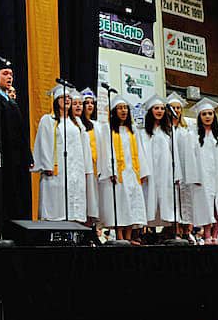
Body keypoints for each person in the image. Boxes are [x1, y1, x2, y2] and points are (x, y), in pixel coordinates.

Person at [0, 62, 33, 240]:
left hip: (15, 160)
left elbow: (21, 132)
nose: (9, 77)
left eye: (11, 74)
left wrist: (27, 155)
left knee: (14, 197)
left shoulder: (11, 102)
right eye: (5, 73)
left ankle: (12, 232)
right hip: (0, 159)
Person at [97, 94, 150, 243]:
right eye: (120, 108)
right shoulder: (107, 129)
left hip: (132, 172)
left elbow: (140, 151)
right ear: (114, 111)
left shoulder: (132, 129)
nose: (123, 111)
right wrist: (111, 170)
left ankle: (129, 236)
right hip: (118, 174)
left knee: (132, 204)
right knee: (119, 205)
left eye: (125, 108)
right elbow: (106, 151)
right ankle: (120, 236)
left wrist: (143, 171)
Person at [33, 85, 90, 223]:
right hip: (56, 170)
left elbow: (84, 147)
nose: (67, 100)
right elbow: (44, 142)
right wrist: (47, 165)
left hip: (75, 169)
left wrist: (86, 169)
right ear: (56, 100)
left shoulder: (77, 122)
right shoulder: (48, 120)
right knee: (56, 205)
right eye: (63, 98)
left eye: (69, 98)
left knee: (74, 206)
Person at [183, 97, 218, 245]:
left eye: (210, 113)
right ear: (199, 117)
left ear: (214, 115)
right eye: (204, 114)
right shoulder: (193, 135)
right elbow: (190, 157)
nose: (207, 116)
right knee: (205, 205)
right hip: (202, 176)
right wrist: (194, 177)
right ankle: (206, 235)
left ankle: (215, 235)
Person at [140, 94, 182, 231]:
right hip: (150, 172)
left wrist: (177, 175)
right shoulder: (142, 132)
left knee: (167, 203)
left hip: (166, 172)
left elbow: (175, 154)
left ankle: (171, 232)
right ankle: (145, 231)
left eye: (162, 108)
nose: (159, 111)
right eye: (156, 108)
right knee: (148, 201)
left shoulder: (169, 131)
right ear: (150, 111)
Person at [167, 92, 192, 238]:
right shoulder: (166, 130)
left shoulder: (186, 130)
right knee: (173, 200)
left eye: (178, 108)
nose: (176, 110)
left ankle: (187, 230)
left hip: (185, 169)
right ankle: (174, 229)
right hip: (170, 170)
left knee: (186, 199)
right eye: (173, 108)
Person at [80, 87, 100, 224]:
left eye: (92, 103)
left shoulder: (97, 125)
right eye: (86, 103)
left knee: (94, 201)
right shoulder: (78, 124)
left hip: (95, 167)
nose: (90, 106)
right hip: (83, 167)